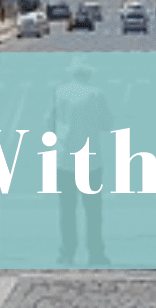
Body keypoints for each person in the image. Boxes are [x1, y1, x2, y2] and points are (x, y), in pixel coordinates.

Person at [47, 58, 112, 265]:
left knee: (67, 210)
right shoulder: (96, 94)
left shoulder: (59, 93)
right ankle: (95, 252)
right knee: (93, 210)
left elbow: (49, 122)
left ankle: (67, 252)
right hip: (91, 159)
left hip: (65, 158)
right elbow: (107, 124)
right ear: (88, 75)